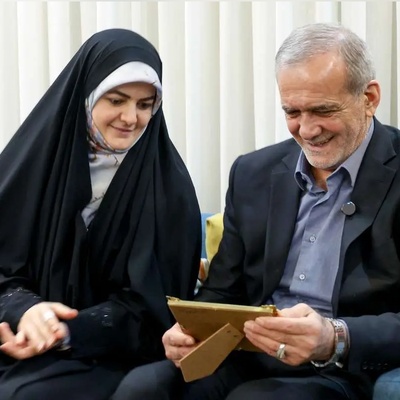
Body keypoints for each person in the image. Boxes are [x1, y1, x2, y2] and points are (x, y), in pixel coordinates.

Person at [112, 22, 400, 400]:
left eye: (323, 110)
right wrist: (189, 330)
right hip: (246, 353)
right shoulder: (253, 173)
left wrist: (335, 337)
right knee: (143, 388)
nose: (307, 130)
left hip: (341, 369)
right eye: (292, 111)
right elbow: (222, 290)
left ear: (369, 98)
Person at [0, 28, 201, 400]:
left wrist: (63, 330)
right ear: (86, 95)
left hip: (111, 355)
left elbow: (153, 310)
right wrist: (24, 310)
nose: (130, 117)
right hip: (15, 335)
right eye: (116, 99)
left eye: (145, 104)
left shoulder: (167, 189)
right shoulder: (34, 166)